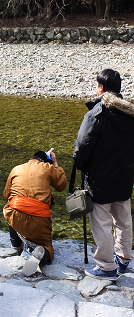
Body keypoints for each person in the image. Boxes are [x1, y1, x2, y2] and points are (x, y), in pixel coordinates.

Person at [73, 68, 134, 281]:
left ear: (101, 88)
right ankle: (124, 260)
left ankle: (107, 267)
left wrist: (80, 165)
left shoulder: (95, 115)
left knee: (102, 224)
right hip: (125, 179)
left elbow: (81, 147)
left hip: (100, 181)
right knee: (124, 221)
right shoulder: (131, 114)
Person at [3, 150, 67, 276]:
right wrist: (54, 162)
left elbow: (7, 195)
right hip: (39, 217)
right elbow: (61, 185)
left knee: (12, 206)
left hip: (16, 213)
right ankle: (41, 254)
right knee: (48, 247)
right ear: (46, 161)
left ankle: (15, 244)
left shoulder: (16, 169)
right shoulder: (48, 167)